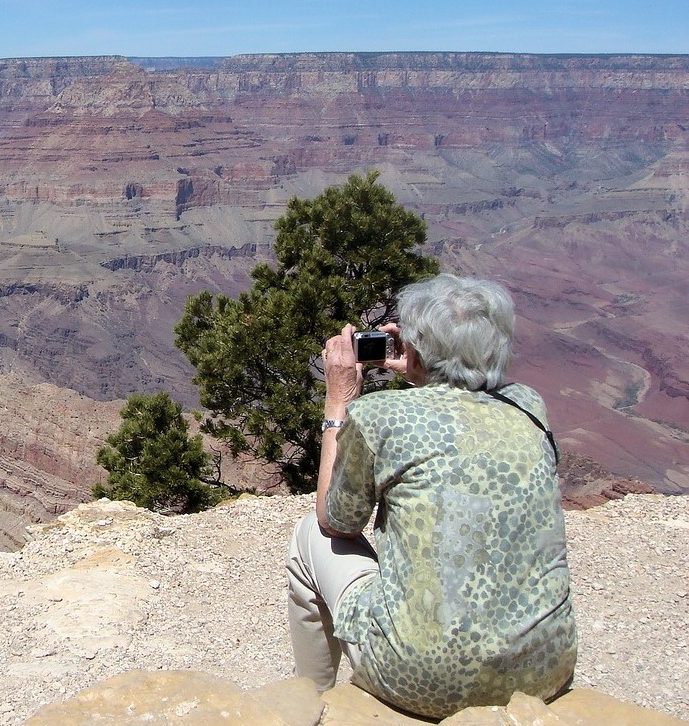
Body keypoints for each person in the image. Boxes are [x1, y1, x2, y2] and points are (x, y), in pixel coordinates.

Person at [286, 273, 577, 720]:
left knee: (310, 535)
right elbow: (460, 416)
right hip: (542, 672)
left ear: (417, 348)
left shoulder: (380, 416)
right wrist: (427, 370)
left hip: (420, 677)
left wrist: (338, 402)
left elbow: (335, 520)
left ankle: (313, 700)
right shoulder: (528, 406)